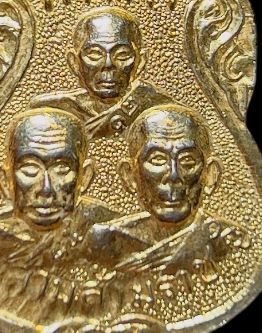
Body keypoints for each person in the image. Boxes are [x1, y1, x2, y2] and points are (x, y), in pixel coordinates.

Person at [0, 107, 120, 319]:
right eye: (30, 169)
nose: (46, 188)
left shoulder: (114, 237)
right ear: (4, 180)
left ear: (85, 177)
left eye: (62, 169)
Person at [86, 104, 250, 284]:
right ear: (130, 175)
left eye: (187, 161)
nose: (173, 176)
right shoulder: (106, 242)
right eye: (157, 160)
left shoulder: (228, 240)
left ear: (210, 174)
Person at [28, 6, 174, 139]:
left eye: (122, 54)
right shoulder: (51, 111)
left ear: (140, 62)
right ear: (74, 63)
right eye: (95, 54)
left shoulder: (163, 112)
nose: (108, 64)